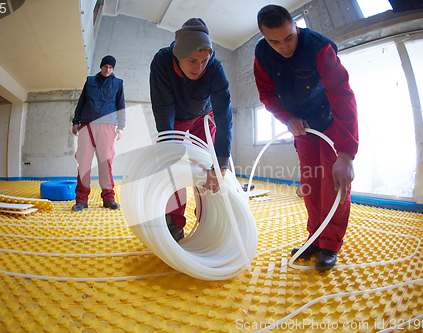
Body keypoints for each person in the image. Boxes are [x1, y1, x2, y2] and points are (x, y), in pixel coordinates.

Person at [254, 5, 358, 269]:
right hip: (302, 127)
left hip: (331, 123)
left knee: (334, 183)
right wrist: (287, 118)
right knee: (310, 183)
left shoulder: (319, 48)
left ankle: (330, 244)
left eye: (289, 37)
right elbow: (266, 94)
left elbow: (342, 95)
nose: (284, 47)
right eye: (274, 41)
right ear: (265, 38)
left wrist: (346, 153)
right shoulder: (262, 54)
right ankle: (315, 237)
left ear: (295, 26)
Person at [150, 18, 233, 241]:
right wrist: (169, 148)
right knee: (173, 168)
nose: (199, 68)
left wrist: (221, 161)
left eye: (204, 61)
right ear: (178, 55)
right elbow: (163, 107)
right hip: (174, 118)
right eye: (192, 61)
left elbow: (224, 114)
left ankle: (206, 219)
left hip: (202, 119)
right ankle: (173, 222)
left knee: (208, 167)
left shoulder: (214, 67)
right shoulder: (162, 62)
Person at [71, 55, 126, 211]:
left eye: (111, 67)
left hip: (107, 126)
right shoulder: (90, 82)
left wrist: (121, 127)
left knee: (105, 163)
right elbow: (81, 103)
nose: (107, 70)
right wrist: (76, 122)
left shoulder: (118, 83)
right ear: (101, 66)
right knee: (84, 163)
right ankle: (81, 201)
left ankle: (108, 199)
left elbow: (120, 106)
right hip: (87, 124)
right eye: (105, 66)